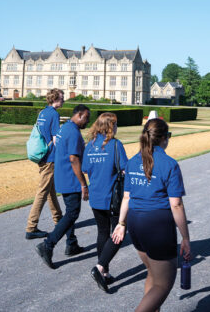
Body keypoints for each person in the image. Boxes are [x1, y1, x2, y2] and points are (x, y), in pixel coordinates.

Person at [112, 119, 191, 312]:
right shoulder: (169, 164)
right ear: (163, 138)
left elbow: (127, 197)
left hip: (135, 223)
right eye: (168, 136)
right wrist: (186, 237)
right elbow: (176, 204)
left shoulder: (133, 161)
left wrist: (121, 223)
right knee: (163, 284)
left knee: (153, 274)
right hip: (157, 225)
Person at [35, 104, 90, 269]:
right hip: (71, 178)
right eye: (87, 117)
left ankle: (71, 244)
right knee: (72, 213)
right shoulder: (73, 132)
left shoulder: (64, 128)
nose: (88, 121)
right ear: (79, 115)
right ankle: (48, 244)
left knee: (70, 212)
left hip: (62, 176)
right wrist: (83, 184)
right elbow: (73, 159)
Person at [81, 112, 129, 292]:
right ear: (110, 126)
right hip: (112, 197)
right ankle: (100, 267)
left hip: (96, 196)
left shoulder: (90, 145)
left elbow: (85, 168)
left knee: (102, 232)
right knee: (119, 233)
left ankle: (105, 272)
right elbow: (124, 168)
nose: (117, 128)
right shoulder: (115, 145)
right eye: (115, 125)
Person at [25, 88, 65, 240]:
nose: (64, 100)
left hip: (41, 155)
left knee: (50, 190)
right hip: (49, 157)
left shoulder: (42, 112)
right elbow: (56, 139)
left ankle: (59, 219)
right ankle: (31, 227)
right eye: (62, 98)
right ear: (55, 98)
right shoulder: (54, 114)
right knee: (43, 191)